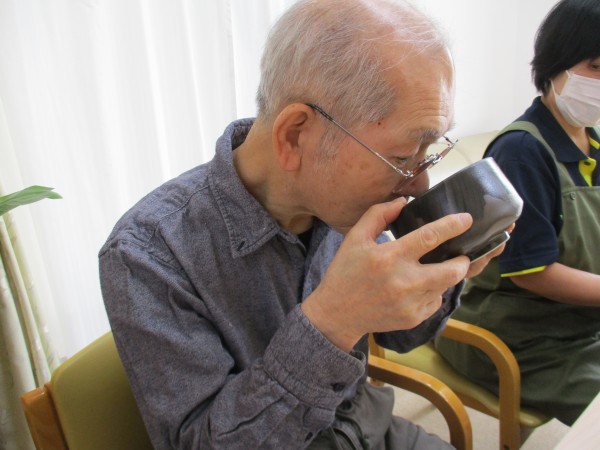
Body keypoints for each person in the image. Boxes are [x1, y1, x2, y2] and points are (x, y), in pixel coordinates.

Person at [99, 1, 503, 448]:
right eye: (404, 156)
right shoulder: (149, 253)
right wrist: (332, 322)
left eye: (431, 149)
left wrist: (441, 269)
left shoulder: (346, 203)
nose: (419, 182)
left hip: (369, 426)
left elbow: (403, 335)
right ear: (295, 135)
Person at [436, 0, 600, 427]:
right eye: (597, 66)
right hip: (521, 338)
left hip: (579, 323)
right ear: (556, 63)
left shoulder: (593, 141)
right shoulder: (522, 151)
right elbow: (532, 272)